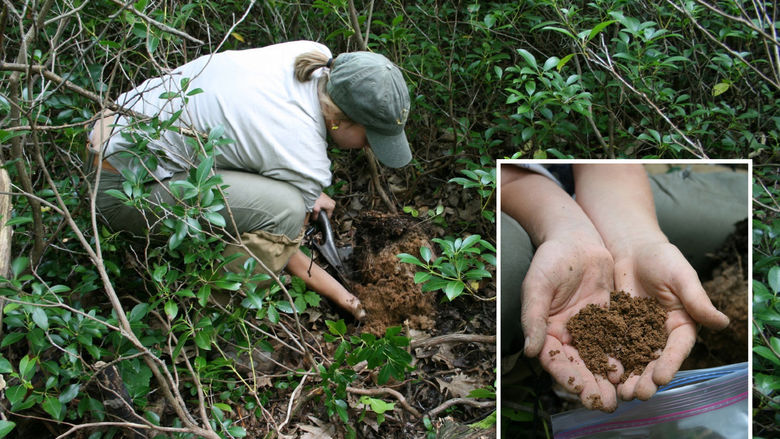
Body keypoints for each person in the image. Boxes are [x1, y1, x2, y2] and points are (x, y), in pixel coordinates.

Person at [87, 40, 412, 319]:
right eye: (369, 139)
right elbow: (286, 249)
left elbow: (254, 134)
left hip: (112, 128)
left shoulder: (312, 56)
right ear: (341, 121)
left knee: (287, 200)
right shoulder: (305, 157)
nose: (367, 148)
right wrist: (346, 297)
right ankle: (211, 312)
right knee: (285, 209)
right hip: (121, 190)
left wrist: (306, 190)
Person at [500, 162, 747, 412]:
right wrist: (568, 229)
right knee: (507, 273)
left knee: (745, 213)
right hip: (518, 194)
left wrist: (637, 241)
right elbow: (505, 178)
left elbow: (609, 165)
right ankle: (516, 373)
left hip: (604, 191)